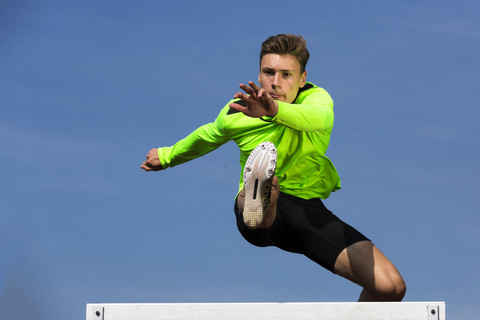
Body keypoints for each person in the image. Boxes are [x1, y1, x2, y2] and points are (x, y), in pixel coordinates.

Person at [141, 34, 406, 301]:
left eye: (286, 75)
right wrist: (166, 156)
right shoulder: (238, 111)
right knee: (269, 191)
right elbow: (207, 136)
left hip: (308, 212)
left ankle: (264, 194)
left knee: (390, 287)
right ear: (259, 72)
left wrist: (274, 111)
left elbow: (319, 118)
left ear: (302, 78)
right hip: (261, 215)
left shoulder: (315, 99)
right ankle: (260, 196)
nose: (275, 82)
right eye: (268, 73)